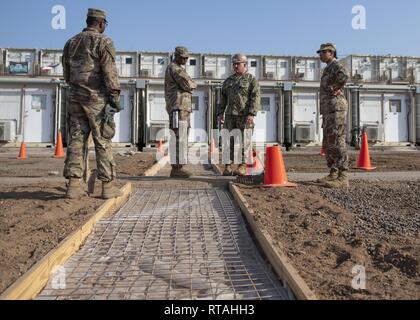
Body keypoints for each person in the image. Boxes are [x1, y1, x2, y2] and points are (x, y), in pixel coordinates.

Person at [62, 8, 122, 199]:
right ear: (101, 23)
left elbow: (66, 75)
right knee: (102, 140)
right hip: (96, 100)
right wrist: (114, 98)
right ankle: (107, 187)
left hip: (75, 98)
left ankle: (73, 186)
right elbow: (109, 73)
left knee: (76, 140)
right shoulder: (104, 41)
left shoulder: (70, 42)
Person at [217, 54, 260, 176]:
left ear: (245, 65)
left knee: (244, 141)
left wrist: (251, 114)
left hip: (244, 116)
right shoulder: (228, 81)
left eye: (238, 63)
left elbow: (255, 97)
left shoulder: (251, 80)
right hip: (230, 116)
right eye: (234, 64)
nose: (235, 66)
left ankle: (242, 166)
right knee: (227, 141)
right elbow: (223, 99)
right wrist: (220, 113)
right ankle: (228, 166)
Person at [317, 43, 350, 188]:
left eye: (323, 52)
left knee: (337, 139)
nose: (320, 55)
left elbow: (345, 75)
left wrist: (335, 87)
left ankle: (343, 176)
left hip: (337, 108)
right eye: (320, 52)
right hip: (328, 109)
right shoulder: (327, 68)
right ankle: (333, 172)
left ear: (331, 52)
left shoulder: (336, 65)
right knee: (329, 141)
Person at [164, 46, 197, 178]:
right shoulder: (175, 68)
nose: (185, 60)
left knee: (179, 135)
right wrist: (193, 84)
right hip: (179, 107)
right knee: (179, 136)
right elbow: (189, 84)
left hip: (180, 108)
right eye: (183, 57)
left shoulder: (175, 68)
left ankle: (177, 167)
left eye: (187, 58)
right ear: (176, 56)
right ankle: (177, 168)